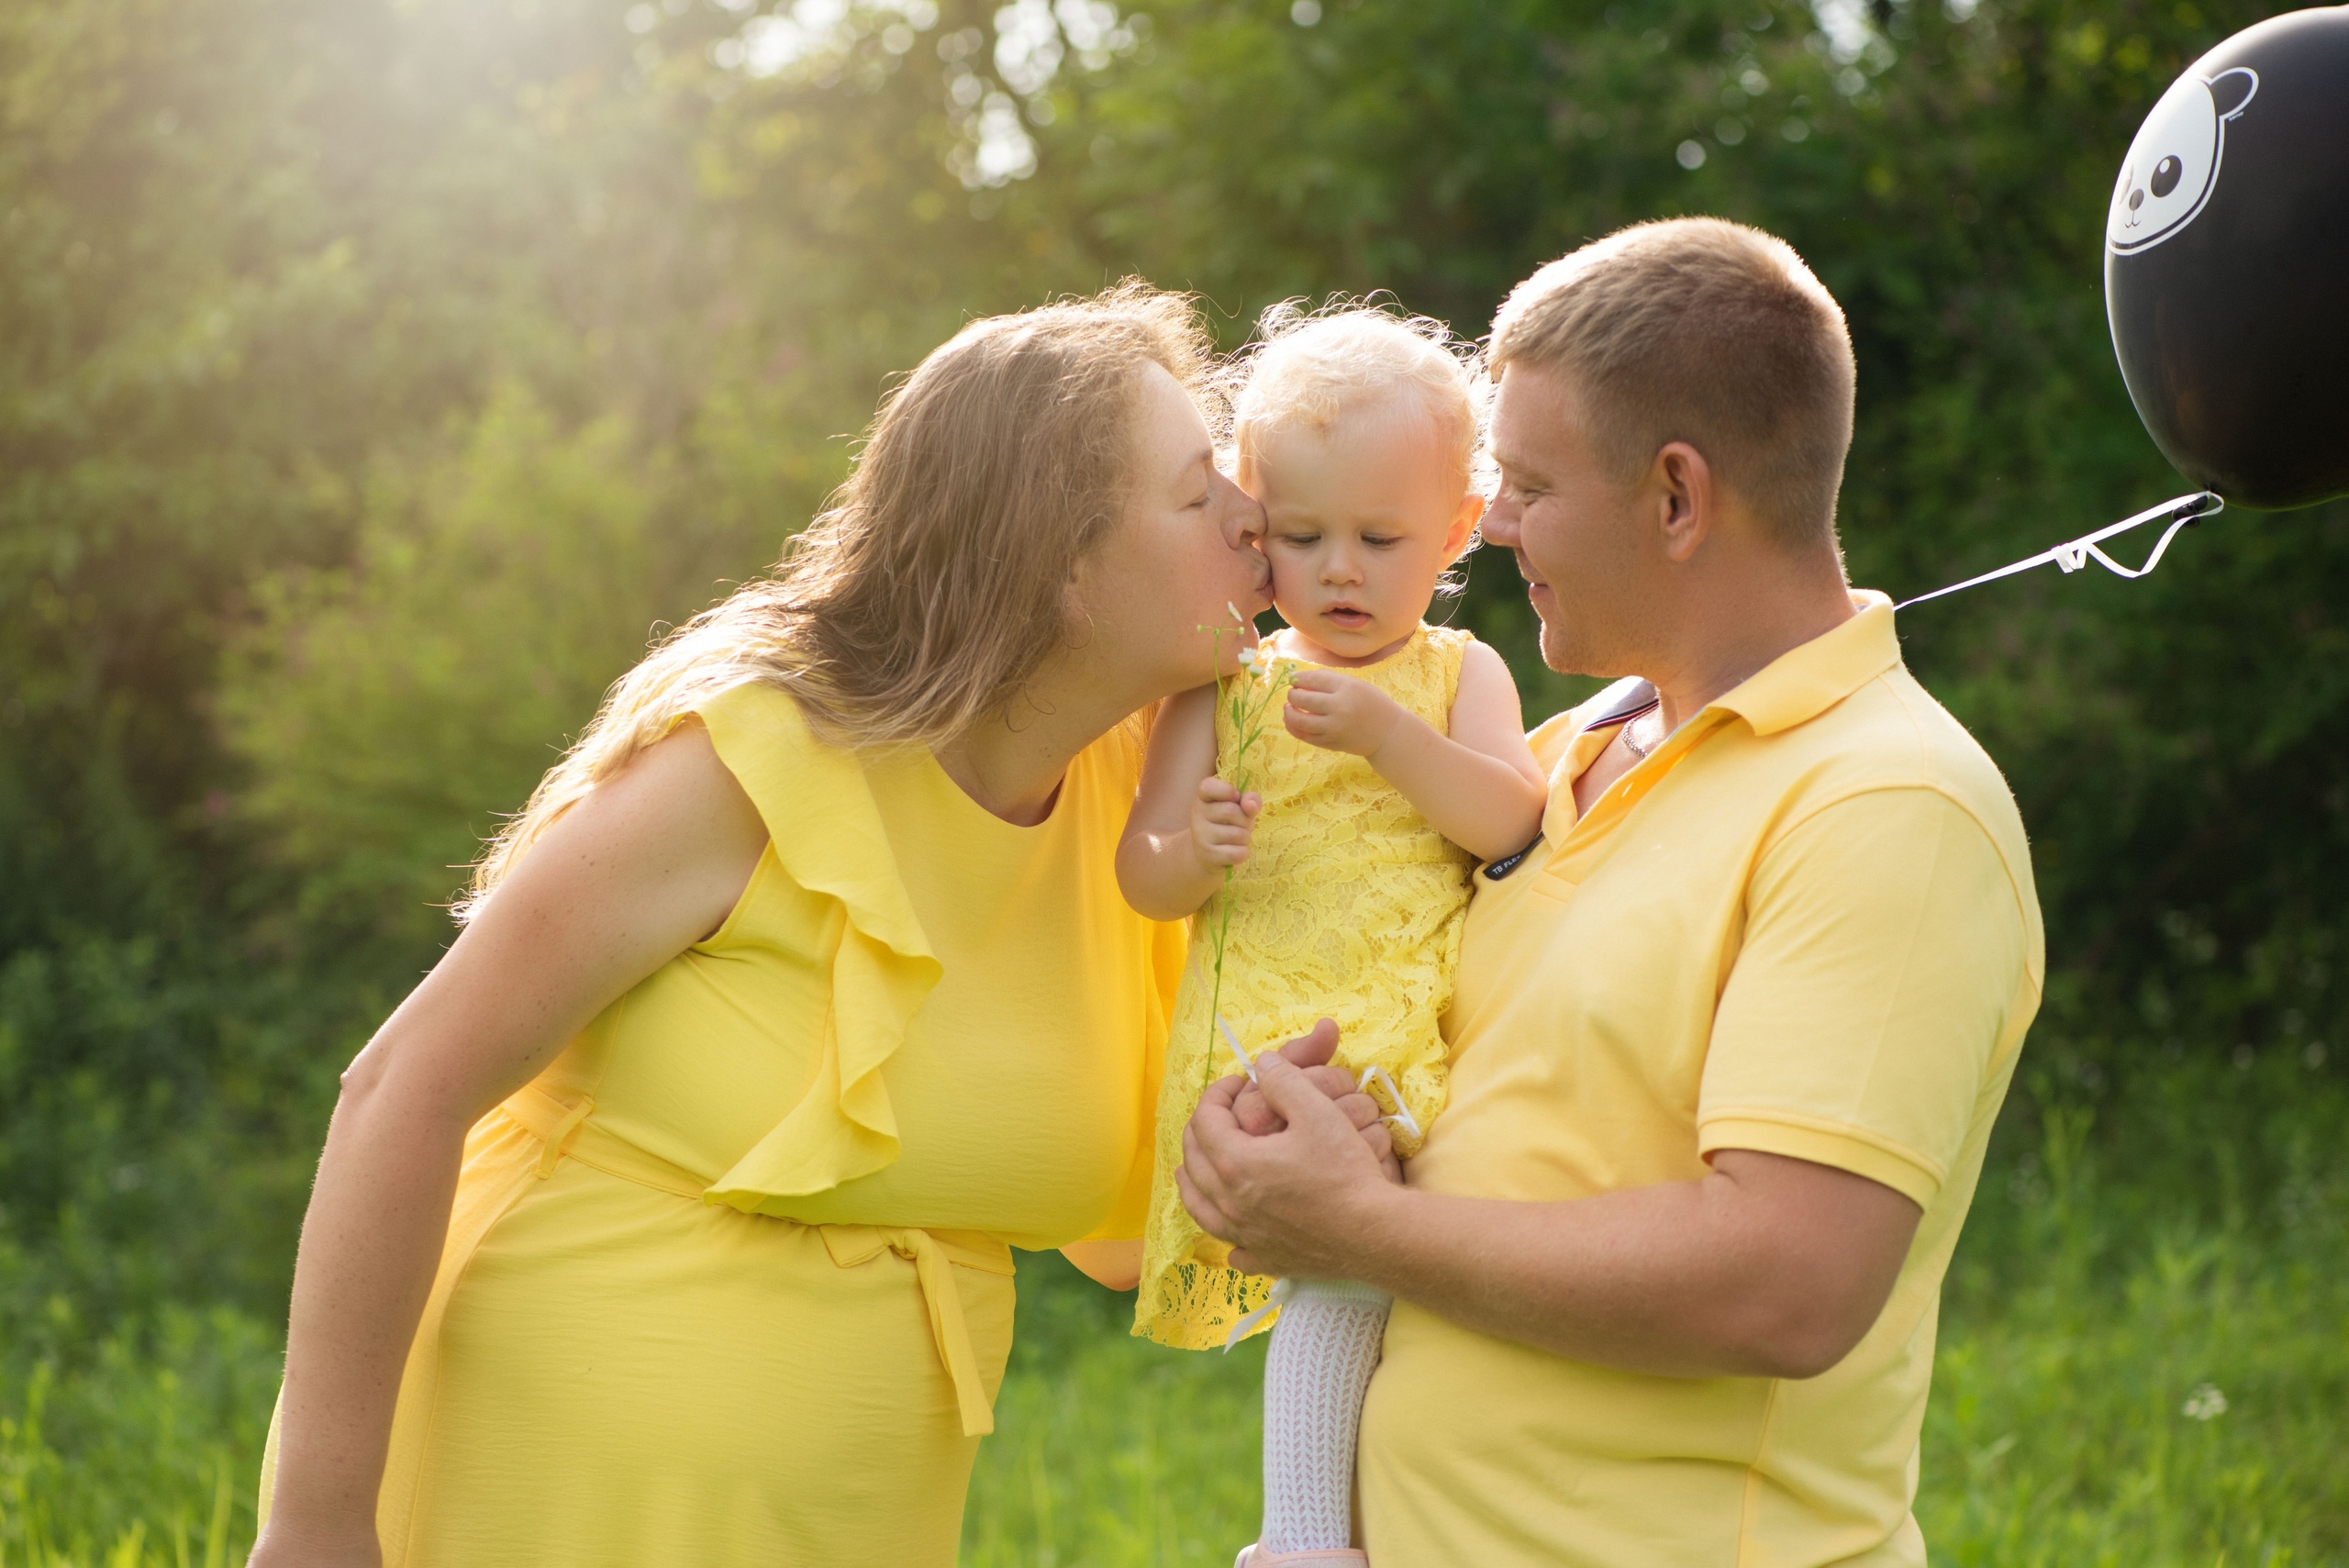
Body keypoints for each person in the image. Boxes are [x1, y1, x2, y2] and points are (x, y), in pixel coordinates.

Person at [245, 283, 1398, 1568]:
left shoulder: (1147, 821)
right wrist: (315, 1527)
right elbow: (402, 1089)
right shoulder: (758, 758)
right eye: (1197, 494)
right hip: (538, 1494)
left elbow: (1116, 1239)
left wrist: (1282, 1151)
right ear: (1059, 565)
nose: (1254, 518)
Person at [1178, 218, 2046, 1566]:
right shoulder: (1560, 756)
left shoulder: (1889, 807)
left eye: (1527, 483)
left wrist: (1363, 1227)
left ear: (1677, 496)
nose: (1492, 523)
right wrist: (1297, 1145)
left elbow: (1786, 1283)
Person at [1117, 306, 1546, 1566]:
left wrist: (1389, 736)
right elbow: (1143, 873)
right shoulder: (1225, 687)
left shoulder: (1460, 675)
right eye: (1302, 538)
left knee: (1418, 1312)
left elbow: (1510, 820)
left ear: (1458, 530)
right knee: (1342, 1282)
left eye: (1380, 538)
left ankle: (1384, 1526)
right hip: (1280, 1038)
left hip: (1427, 1028)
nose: (1340, 571)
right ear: (1255, 527)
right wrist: (1193, 848)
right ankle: (1301, 1542)